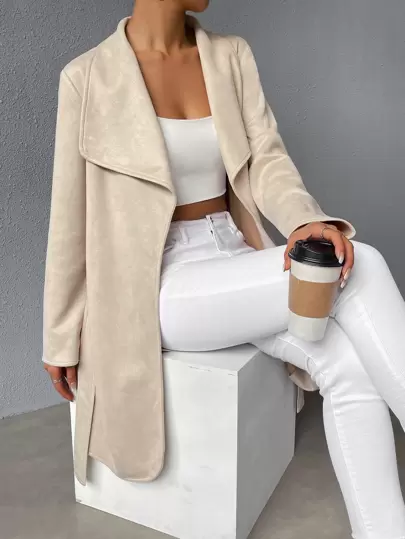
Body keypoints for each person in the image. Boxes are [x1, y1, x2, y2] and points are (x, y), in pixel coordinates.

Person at [41, 1, 405, 537]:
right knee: (362, 264)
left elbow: (265, 160)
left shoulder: (230, 56)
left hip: (232, 253)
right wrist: (60, 337)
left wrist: (305, 220)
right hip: (156, 286)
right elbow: (69, 217)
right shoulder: (87, 77)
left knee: (348, 366)